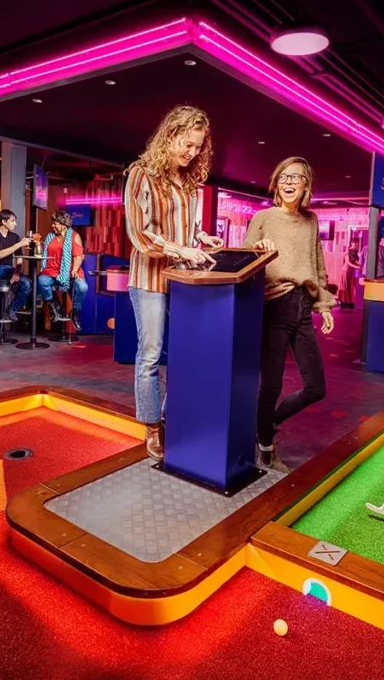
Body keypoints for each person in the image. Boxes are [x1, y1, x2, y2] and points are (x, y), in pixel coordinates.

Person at [123, 105, 225, 461]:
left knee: (184, 354)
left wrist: (202, 237)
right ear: (169, 135)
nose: (191, 152)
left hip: (182, 280)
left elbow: (186, 227)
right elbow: (140, 234)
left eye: (198, 147)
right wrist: (182, 247)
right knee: (150, 355)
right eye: (186, 142)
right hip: (149, 279)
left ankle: (168, 415)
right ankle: (152, 426)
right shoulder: (141, 174)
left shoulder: (192, 182)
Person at [245, 157, 335, 472]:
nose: (289, 181)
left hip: (302, 305)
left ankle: (264, 425)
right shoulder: (263, 217)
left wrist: (322, 305)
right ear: (276, 182)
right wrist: (260, 250)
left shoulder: (311, 220)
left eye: (296, 176)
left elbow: (318, 265)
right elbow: (244, 260)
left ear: (306, 184)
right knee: (270, 386)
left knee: (316, 388)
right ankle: (266, 448)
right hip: (274, 305)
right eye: (283, 176)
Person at [36, 209, 87, 332]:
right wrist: (37, 245)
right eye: (52, 223)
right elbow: (43, 253)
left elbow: (78, 256)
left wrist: (75, 269)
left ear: (64, 224)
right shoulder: (50, 237)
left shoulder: (74, 236)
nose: (52, 225)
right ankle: (53, 304)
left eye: (55, 223)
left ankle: (74, 311)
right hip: (51, 270)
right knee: (42, 281)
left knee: (83, 288)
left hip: (70, 271)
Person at [0, 209, 32, 322]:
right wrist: (20, 244)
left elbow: (19, 258)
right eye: (13, 221)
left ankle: (12, 309)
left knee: (27, 284)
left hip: (8, 269)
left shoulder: (15, 237)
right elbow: (0, 254)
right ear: (3, 221)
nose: (15, 224)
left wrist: (17, 272)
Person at [339, 240, 361, 307]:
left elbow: (356, 261)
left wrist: (360, 265)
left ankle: (350, 302)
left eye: (357, 243)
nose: (356, 244)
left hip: (352, 270)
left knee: (351, 286)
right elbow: (347, 262)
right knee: (345, 285)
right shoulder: (348, 251)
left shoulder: (356, 252)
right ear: (351, 243)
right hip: (346, 270)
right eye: (355, 242)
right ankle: (344, 301)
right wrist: (357, 267)